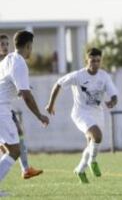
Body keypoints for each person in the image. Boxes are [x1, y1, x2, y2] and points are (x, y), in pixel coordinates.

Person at [46, 48, 118, 184]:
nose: (95, 63)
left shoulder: (104, 76)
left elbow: (113, 93)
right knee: (97, 136)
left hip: (97, 113)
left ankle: (80, 169)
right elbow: (59, 84)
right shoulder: (78, 76)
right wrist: (51, 104)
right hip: (81, 113)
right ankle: (92, 161)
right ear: (87, 60)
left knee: (92, 143)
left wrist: (113, 101)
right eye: (92, 61)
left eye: (98, 61)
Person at [0, 31, 49, 196]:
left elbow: (11, 86)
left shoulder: (8, 59)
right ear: (28, 46)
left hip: (3, 108)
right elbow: (26, 96)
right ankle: (25, 169)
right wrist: (39, 115)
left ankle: (26, 169)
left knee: (10, 148)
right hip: (1, 109)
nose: (31, 50)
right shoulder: (20, 63)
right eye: (31, 47)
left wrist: (21, 91)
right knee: (14, 151)